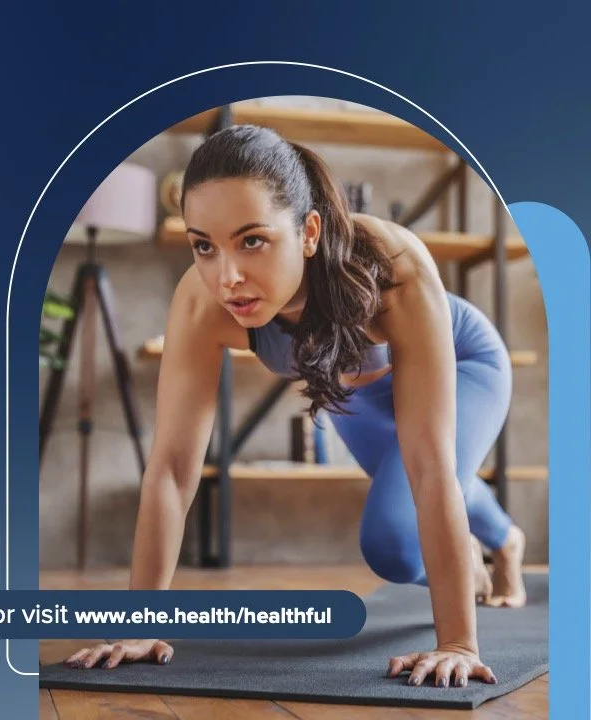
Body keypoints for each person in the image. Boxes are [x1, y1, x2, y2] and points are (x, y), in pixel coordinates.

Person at [64, 125, 528, 689]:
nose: (226, 276)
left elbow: (429, 467)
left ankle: (500, 541)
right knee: (402, 545)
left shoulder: (392, 264)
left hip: (463, 366)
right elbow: (171, 469)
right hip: (352, 388)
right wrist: (140, 625)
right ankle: (502, 536)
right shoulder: (202, 300)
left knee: (394, 541)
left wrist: (457, 643)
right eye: (203, 245)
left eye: (252, 240)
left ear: (308, 231)